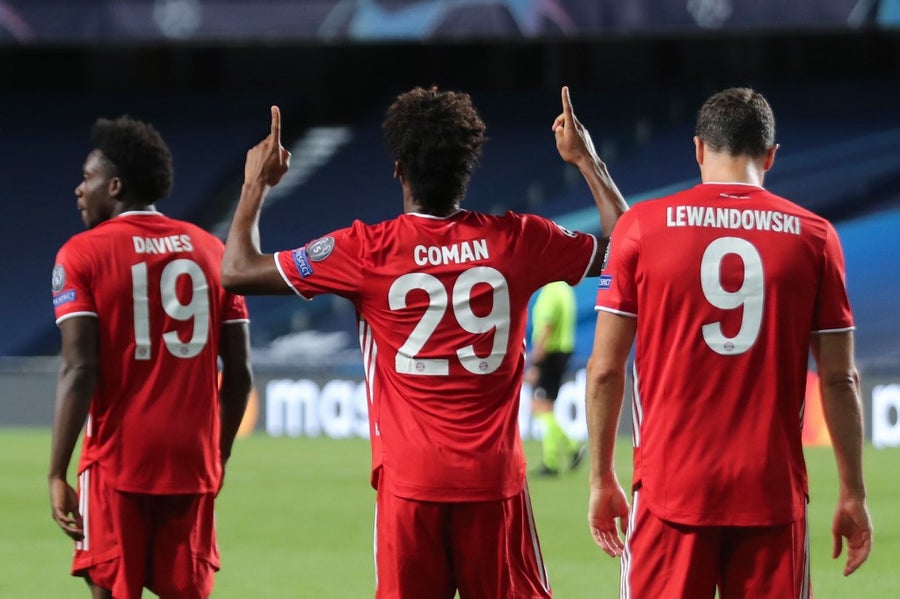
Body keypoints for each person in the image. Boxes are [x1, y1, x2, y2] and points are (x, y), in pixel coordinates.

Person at [221, 86, 628, 598]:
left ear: (399, 170)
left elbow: (237, 271)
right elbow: (627, 249)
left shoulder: (364, 250)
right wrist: (587, 161)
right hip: (493, 485)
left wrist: (255, 184)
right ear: (467, 171)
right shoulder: (520, 240)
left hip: (410, 489)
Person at [585, 87, 873, 597]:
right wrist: (853, 492)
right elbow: (839, 378)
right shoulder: (815, 237)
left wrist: (601, 477)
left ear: (698, 149)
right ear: (771, 155)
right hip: (771, 493)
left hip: (670, 489)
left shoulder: (640, 227)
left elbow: (606, 370)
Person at [48, 115, 252, 599]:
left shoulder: (81, 254)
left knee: (110, 588)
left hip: (116, 462)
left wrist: (56, 471)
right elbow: (240, 374)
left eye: (87, 177)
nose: (79, 189)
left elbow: (79, 367)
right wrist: (218, 455)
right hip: (192, 465)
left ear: (114, 186)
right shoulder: (212, 250)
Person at [527, 280, 585, 476]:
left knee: (540, 406)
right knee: (546, 407)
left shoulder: (550, 291)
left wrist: (536, 359)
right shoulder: (565, 290)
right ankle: (570, 449)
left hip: (550, 354)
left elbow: (547, 326)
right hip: (562, 352)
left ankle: (553, 459)